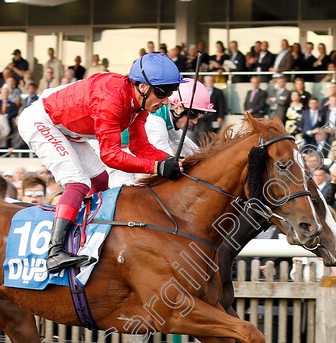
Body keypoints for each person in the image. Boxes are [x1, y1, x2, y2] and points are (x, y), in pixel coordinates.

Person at [17, 53, 184, 273]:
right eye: (162, 92)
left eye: (171, 92)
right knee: (78, 182)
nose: (166, 100)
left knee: (100, 179)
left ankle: (89, 236)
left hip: (69, 129)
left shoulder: (139, 105)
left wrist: (171, 161)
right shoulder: (111, 98)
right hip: (42, 122)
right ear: (143, 87)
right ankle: (55, 251)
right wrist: (157, 168)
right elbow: (110, 156)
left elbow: (139, 147)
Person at [145, 78, 213, 157]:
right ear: (177, 109)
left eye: (199, 115)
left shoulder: (168, 118)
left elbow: (183, 143)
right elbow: (163, 156)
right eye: (193, 115)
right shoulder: (154, 121)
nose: (195, 121)